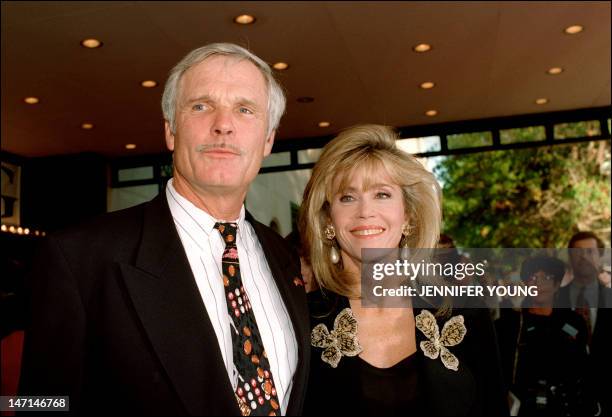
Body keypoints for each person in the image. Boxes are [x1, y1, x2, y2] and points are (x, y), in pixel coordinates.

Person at [18, 43, 310, 416]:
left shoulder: (284, 259)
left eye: (245, 109)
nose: (223, 124)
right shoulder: (78, 258)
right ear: (171, 131)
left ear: (267, 139)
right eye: (201, 106)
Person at [299, 125, 507, 415]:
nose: (365, 211)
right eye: (347, 197)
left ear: (407, 214)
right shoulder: (301, 319)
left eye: (382, 194)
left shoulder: (462, 310)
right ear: (328, 220)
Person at [495, 256, 593, 416]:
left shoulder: (574, 322)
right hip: (524, 408)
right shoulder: (509, 324)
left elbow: (583, 366)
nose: (538, 284)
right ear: (525, 283)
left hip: (566, 406)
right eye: (533, 278)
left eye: (546, 278)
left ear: (557, 285)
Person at [555, 231, 612, 416]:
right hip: (565, 402)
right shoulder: (554, 301)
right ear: (570, 257)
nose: (583, 257)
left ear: (600, 256)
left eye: (590, 252)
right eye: (577, 252)